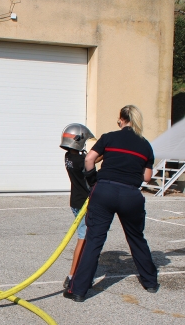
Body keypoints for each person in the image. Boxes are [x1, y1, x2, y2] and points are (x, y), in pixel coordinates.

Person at [64, 105, 159, 302]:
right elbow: (147, 177)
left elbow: (89, 159)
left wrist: (93, 180)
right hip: (131, 195)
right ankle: (150, 282)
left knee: (94, 240)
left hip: (104, 192)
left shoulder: (109, 137)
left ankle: (78, 291)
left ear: (121, 120)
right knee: (136, 238)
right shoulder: (145, 145)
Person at [60, 124, 95, 290]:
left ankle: (75, 274)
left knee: (84, 237)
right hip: (83, 203)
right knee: (83, 239)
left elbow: (88, 159)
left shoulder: (68, 156)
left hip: (75, 201)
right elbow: (89, 163)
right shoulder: (81, 160)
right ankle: (72, 276)